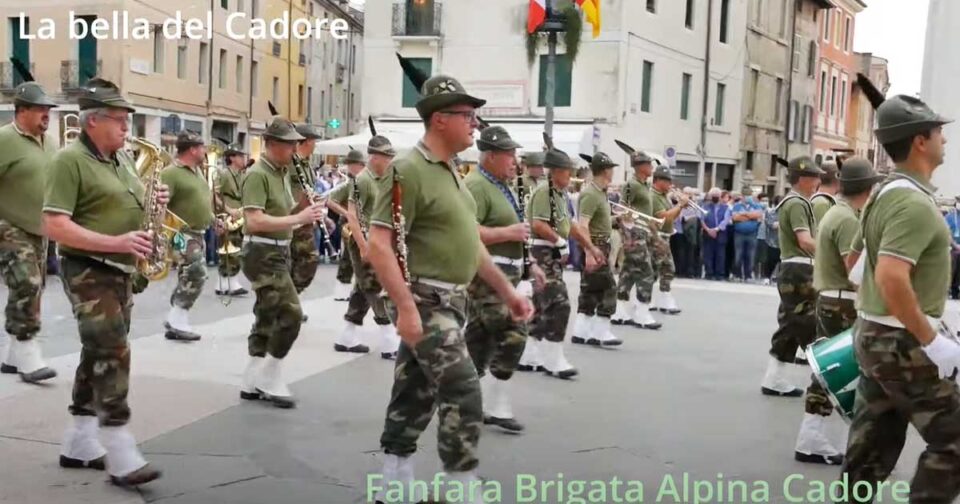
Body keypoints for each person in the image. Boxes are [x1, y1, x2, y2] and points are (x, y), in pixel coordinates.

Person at [365, 75, 533, 502]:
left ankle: (393, 482)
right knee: (463, 386)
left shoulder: (454, 173)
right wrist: (405, 307)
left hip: (452, 301)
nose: (475, 124)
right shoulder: (407, 169)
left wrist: (508, 292)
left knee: (415, 392)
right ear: (440, 119)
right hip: (425, 300)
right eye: (467, 115)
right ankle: (458, 484)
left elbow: (471, 244)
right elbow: (379, 244)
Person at [44, 78, 163, 485]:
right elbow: (54, 225)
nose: (127, 126)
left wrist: (153, 201)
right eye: (119, 118)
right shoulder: (68, 160)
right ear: (93, 121)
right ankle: (119, 448)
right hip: (87, 267)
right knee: (112, 349)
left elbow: (124, 202)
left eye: (128, 119)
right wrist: (116, 241)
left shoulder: (122, 159)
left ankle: (79, 441)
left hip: (121, 270)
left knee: (97, 349)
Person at [841, 95, 960, 502]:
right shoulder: (913, 203)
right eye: (939, 132)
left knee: (872, 445)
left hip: (875, 334)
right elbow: (890, 276)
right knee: (954, 441)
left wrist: (879, 311)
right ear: (920, 141)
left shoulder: (883, 193)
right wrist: (931, 340)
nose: (945, 139)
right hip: (903, 342)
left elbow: (854, 264)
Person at [791, 157, 882, 466]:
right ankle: (825, 439)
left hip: (831, 299)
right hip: (844, 301)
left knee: (831, 371)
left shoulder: (836, 212)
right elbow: (852, 269)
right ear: (867, 188)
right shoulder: (848, 220)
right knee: (849, 371)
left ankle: (813, 436)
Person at [238, 118, 324, 409]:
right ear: (272, 144)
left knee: (267, 314)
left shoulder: (282, 173)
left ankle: (252, 377)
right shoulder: (258, 174)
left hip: (279, 249)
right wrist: (299, 218)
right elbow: (254, 220)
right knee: (291, 313)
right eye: (289, 144)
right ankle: (269, 376)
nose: (294, 149)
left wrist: (305, 207)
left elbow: (282, 212)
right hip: (262, 251)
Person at [464, 126, 546, 432]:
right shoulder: (476, 185)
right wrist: (506, 233)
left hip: (508, 272)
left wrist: (530, 263)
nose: (515, 161)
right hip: (486, 275)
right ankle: (495, 405)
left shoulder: (503, 185)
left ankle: (462, 398)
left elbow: (518, 232)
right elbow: (467, 233)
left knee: (479, 343)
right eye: (509, 155)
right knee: (514, 332)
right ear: (490, 156)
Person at [0, 81, 58, 383]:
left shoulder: (50, 143)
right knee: (27, 282)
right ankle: (27, 351)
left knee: (35, 287)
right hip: (8, 225)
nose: (46, 114)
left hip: (40, 227)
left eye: (48, 109)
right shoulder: (4, 139)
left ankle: (13, 356)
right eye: (40, 109)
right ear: (21, 111)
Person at [519, 145, 587, 378]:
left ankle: (529, 354)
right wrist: (559, 242)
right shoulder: (544, 191)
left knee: (541, 305)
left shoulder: (559, 193)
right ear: (556, 171)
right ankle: (553, 357)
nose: (571, 175)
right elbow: (538, 224)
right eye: (568, 171)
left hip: (550, 252)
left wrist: (589, 247)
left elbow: (570, 225)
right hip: (542, 252)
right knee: (560, 304)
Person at [759, 156, 822, 396]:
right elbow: (804, 240)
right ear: (803, 179)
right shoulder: (797, 203)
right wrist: (831, 254)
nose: (817, 182)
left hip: (794, 268)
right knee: (810, 325)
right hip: (800, 269)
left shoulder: (795, 201)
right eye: (815, 178)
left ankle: (774, 379)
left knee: (789, 327)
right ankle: (828, 380)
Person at [336, 138, 401, 358]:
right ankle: (389, 340)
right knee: (374, 286)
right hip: (362, 241)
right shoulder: (362, 180)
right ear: (374, 157)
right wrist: (363, 247)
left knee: (363, 287)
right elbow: (352, 215)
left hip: (376, 239)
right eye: (387, 156)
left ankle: (347, 336)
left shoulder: (382, 178)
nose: (390, 160)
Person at [160, 131, 213, 341]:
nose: (205, 151)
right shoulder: (171, 173)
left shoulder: (197, 171)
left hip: (198, 232)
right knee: (196, 271)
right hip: (180, 233)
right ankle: (177, 318)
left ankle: (176, 318)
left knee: (191, 273)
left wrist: (213, 219)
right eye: (202, 147)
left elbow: (199, 200)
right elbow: (161, 204)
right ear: (192, 149)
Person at [571, 153, 624, 347]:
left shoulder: (600, 192)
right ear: (605, 171)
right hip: (595, 244)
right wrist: (589, 252)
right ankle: (601, 331)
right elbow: (583, 225)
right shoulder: (591, 194)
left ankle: (581, 331)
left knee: (590, 289)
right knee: (609, 287)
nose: (613, 171)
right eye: (611, 168)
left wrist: (616, 219)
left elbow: (598, 221)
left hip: (599, 243)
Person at [609, 146, 660, 329]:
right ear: (640, 167)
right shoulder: (631, 185)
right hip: (634, 233)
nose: (652, 167)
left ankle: (619, 311)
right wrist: (627, 235)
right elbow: (622, 209)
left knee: (628, 273)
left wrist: (655, 235)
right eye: (649, 164)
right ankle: (642, 314)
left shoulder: (644, 185)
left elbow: (646, 214)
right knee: (646, 273)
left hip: (643, 231)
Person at [288, 123, 324, 317]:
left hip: (306, 219)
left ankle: (290, 301)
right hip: (293, 218)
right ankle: (288, 304)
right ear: (306, 141)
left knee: (305, 262)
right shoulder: (290, 163)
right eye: (314, 141)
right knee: (299, 262)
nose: (315, 145)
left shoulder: (306, 164)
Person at [214, 143, 250, 296]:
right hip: (227, 217)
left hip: (239, 217)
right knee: (228, 251)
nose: (244, 159)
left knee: (237, 249)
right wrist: (229, 210)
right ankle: (227, 283)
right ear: (232, 158)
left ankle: (225, 283)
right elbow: (214, 195)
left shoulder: (243, 175)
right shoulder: (223, 174)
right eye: (240, 156)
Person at [649, 166, 686, 314]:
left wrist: (680, 207)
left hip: (665, 235)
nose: (670, 184)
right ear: (657, 180)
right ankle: (648, 299)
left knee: (666, 268)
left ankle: (663, 298)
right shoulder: (653, 196)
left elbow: (673, 217)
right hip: (656, 235)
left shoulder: (664, 196)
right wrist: (680, 204)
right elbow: (664, 216)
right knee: (656, 268)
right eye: (667, 181)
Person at [327, 171, 354, 301]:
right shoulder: (348, 184)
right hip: (349, 223)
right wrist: (346, 213)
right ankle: (342, 289)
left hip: (365, 222)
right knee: (349, 255)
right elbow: (331, 200)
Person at [731, 187, 764, 282]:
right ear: (742, 196)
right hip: (739, 234)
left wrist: (744, 214)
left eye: (749, 195)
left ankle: (748, 275)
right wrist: (751, 216)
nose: (747, 197)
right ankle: (737, 275)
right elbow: (735, 218)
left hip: (752, 234)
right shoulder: (737, 206)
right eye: (745, 195)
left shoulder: (756, 205)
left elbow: (758, 215)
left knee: (750, 255)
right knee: (738, 255)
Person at [701, 188, 730, 281]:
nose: (715, 197)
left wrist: (716, 229)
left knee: (720, 255)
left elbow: (725, 220)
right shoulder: (704, 206)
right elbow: (701, 219)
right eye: (713, 196)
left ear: (720, 196)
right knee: (708, 254)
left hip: (721, 233)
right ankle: (709, 273)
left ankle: (719, 274)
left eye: (716, 196)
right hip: (707, 233)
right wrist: (708, 230)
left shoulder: (726, 207)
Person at [946, 198, 960, 299]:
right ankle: (951, 287)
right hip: (952, 247)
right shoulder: (950, 217)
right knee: (954, 257)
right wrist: (955, 245)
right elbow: (947, 234)